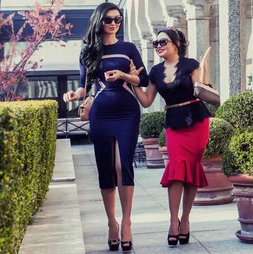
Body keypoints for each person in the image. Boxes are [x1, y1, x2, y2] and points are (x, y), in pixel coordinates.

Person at [62, 2, 148, 251]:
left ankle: (128, 223)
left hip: (127, 111)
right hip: (101, 112)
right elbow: (84, 85)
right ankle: (112, 223)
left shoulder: (128, 47)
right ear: (99, 20)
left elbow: (143, 78)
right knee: (106, 167)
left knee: (124, 165)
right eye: (109, 19)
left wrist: (122, 76)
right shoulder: (88, 50)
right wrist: (73, 95)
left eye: (118, 20)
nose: (113, 24)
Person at [129, 26, 212, 247]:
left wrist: (204, 73)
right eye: (156, 43)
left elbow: (205, 90)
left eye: (163, 42)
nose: (158, 46)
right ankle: (173, 222)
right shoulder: (155, 71)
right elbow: (147, 101)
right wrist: (132, 82)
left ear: (176, 44)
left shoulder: (191, 64)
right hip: (174, 122)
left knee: (192, 171)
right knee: (176, 170)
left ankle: (185, 220)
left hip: (197, 120)